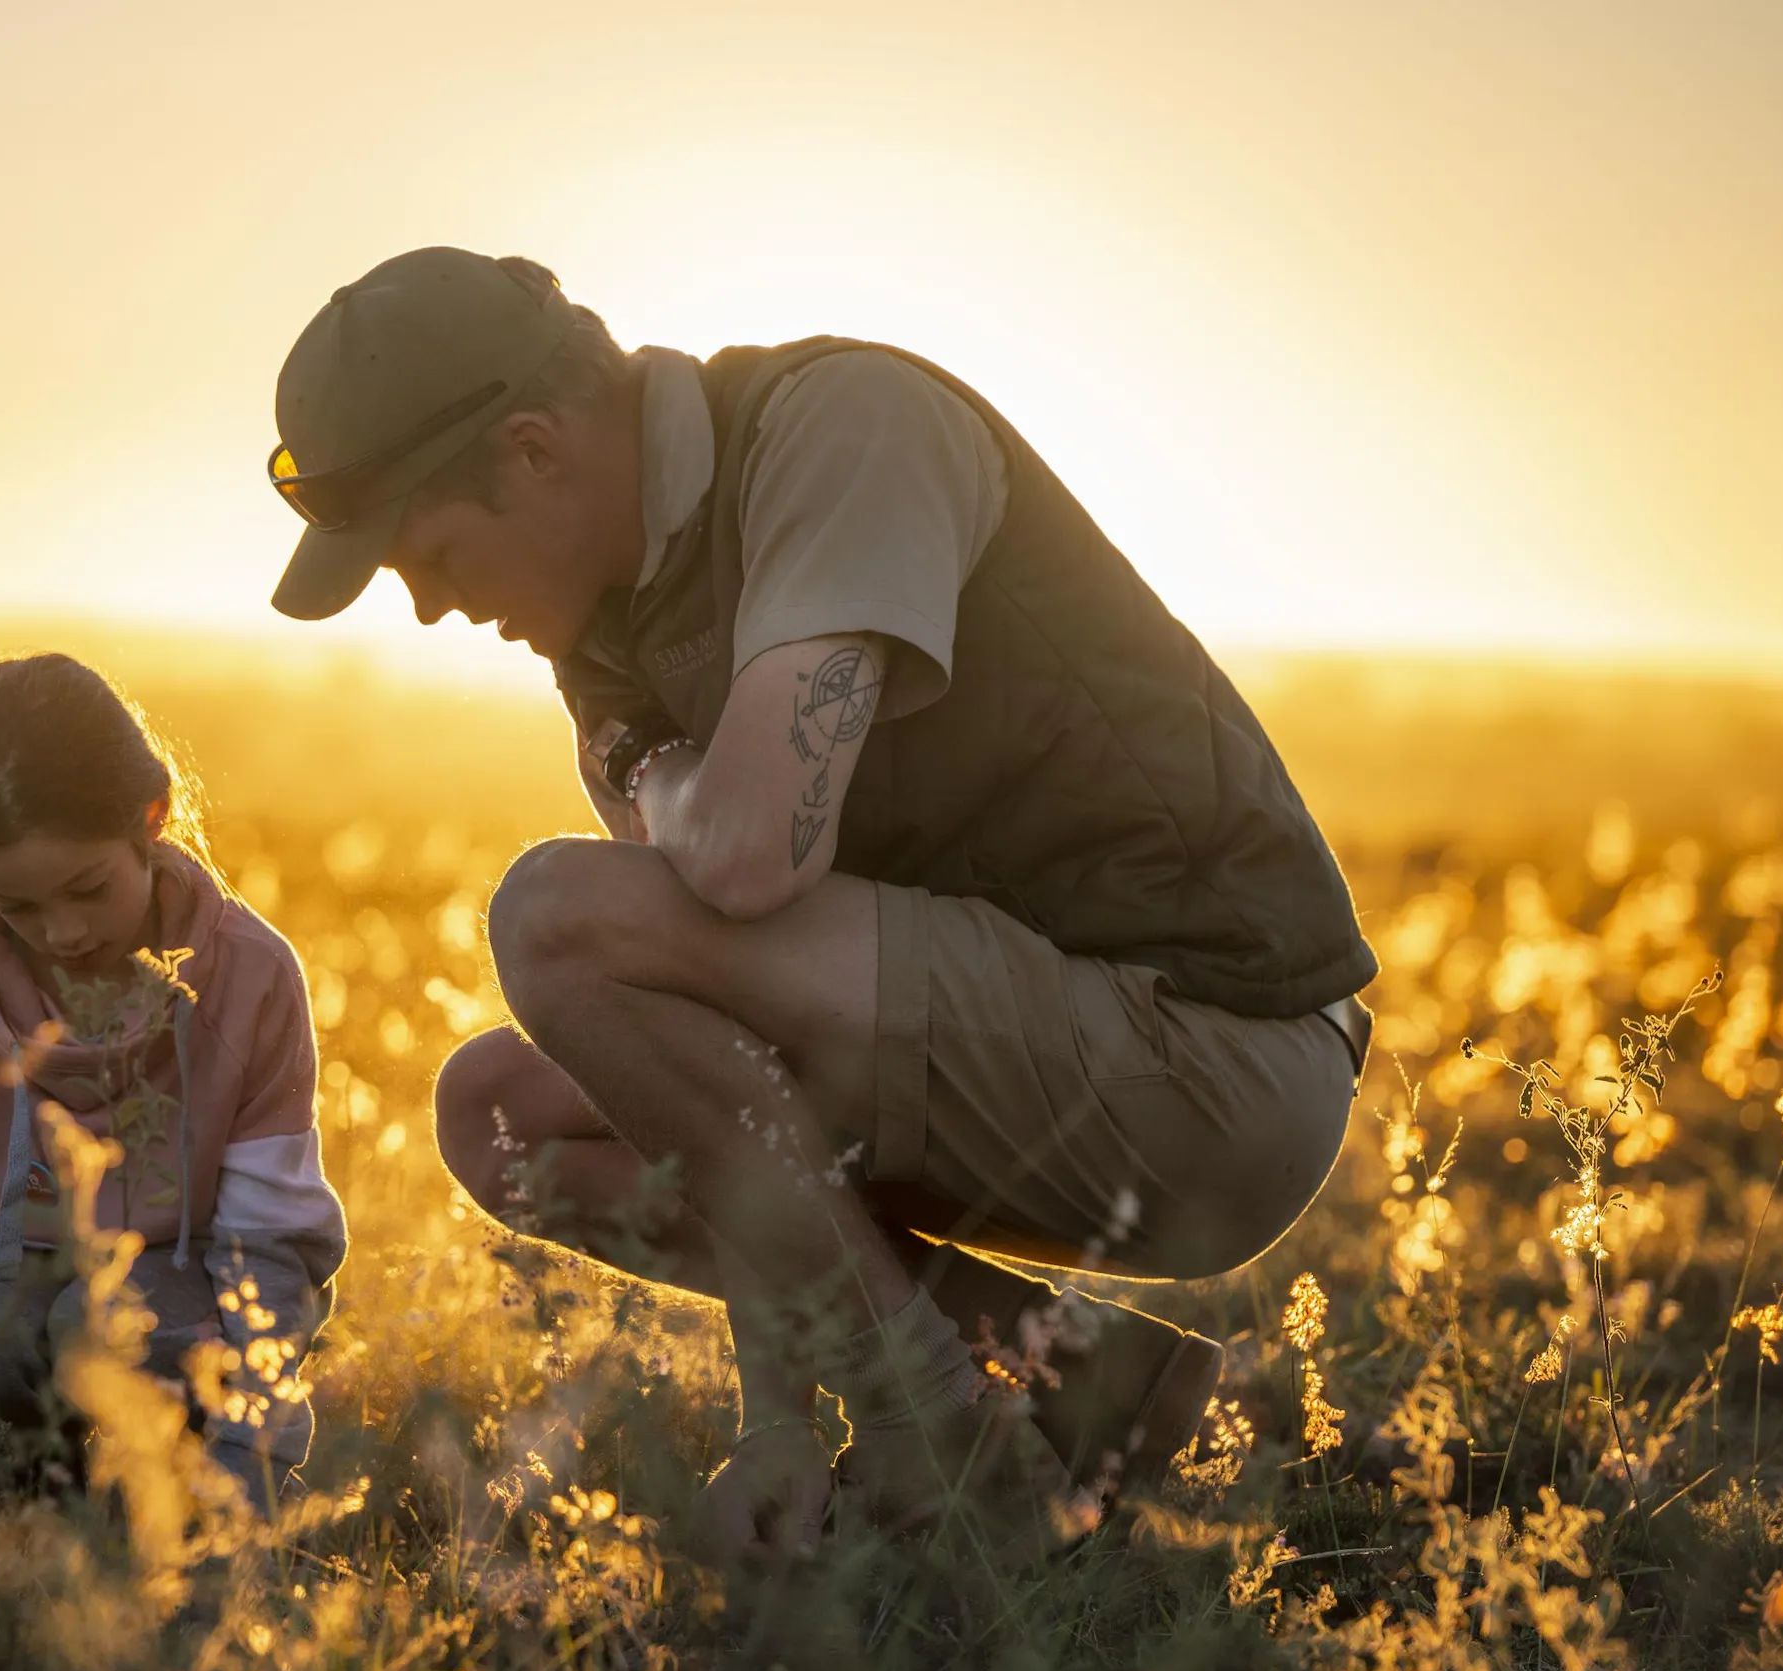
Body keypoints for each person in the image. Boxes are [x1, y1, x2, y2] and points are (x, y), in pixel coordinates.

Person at [262, 247, 1375, 1557]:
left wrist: (652, 773)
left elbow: (743, 866)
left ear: (533, 452)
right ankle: (1071, 1372)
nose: (434, 607)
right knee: (502, 1114)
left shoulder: (845, 430)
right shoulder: (610, 640)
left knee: (557, 915)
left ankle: (938, 1432)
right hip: (1008, 1054)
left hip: (1215, 1061)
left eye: (429, 553)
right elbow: (720, 1055)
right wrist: (772, 1419)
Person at [0, 654, 347, 1543]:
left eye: (89, 889)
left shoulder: (250, 975)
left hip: (187, 1275)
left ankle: (172, 1484)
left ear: (152, 815)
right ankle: (33, 1477)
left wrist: (251, 1474)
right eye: (16, 905)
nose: (63, 932)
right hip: (18, 1265)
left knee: (113, 1326)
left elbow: (270, 1241)